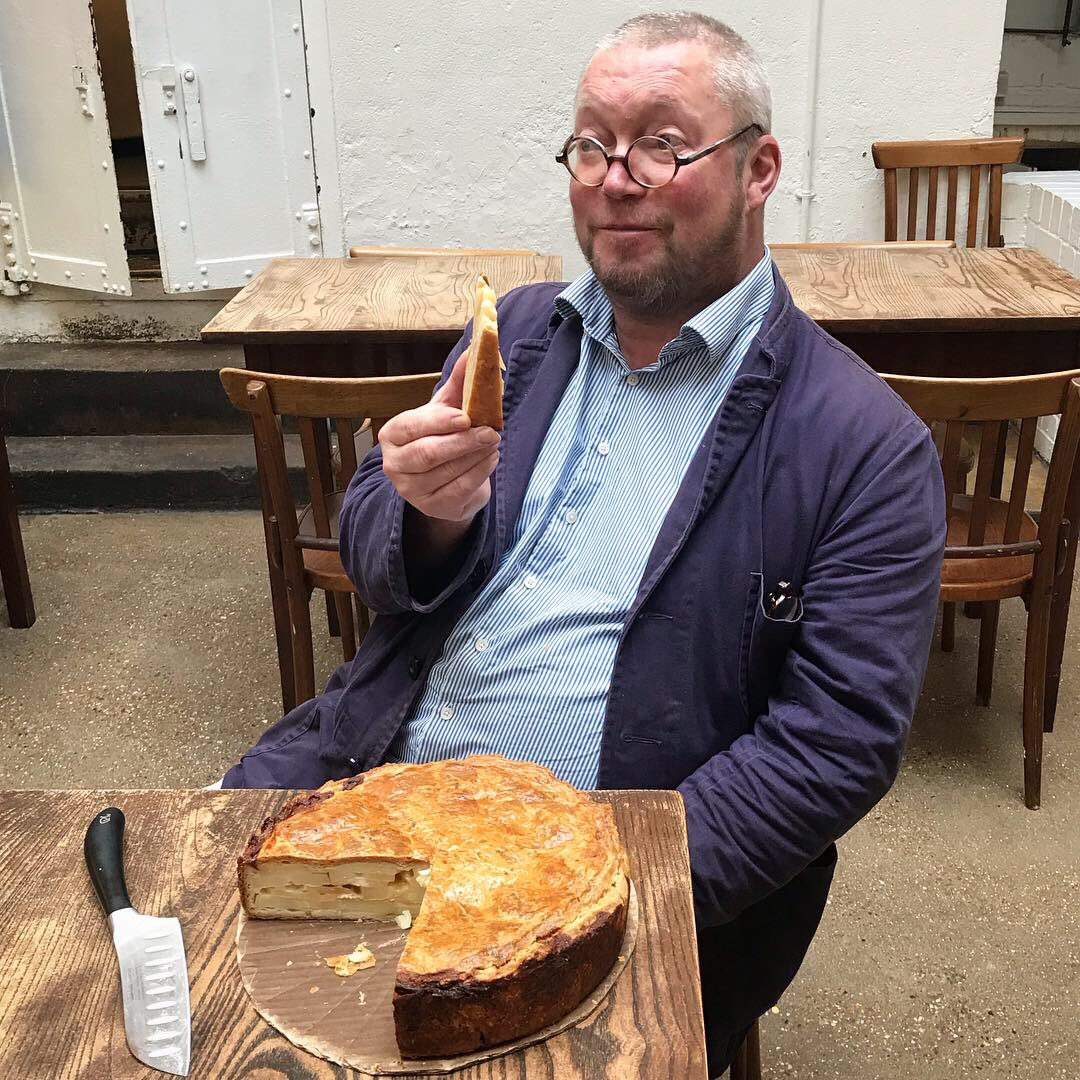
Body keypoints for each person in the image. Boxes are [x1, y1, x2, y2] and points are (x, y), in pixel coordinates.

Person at [223, 11, 946, 1074]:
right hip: (377, 787)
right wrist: (427, 513)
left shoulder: (861, 445)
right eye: (594, 143)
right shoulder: (517, 332)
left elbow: (835, 743)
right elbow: (376, 556)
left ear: (760, 168)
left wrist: (588, 873)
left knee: (453, 1043)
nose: (617, 177)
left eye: (662, 141)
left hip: (597, 882)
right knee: (227, 1011)